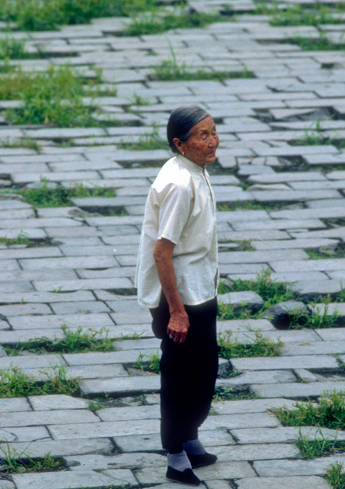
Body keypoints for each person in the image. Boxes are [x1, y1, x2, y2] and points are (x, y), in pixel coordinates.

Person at [136, 106, 220, 486]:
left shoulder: (194, 170)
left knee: (203, 370)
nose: (212, 141)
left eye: (213, 132)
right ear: (179, 144)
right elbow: (161, 252)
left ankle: (189, 437)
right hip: (180, 297)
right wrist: (176, 312)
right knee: (180, 375)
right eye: (202, 136)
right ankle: (174, 452)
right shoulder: (179, 184)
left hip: (201, 289)